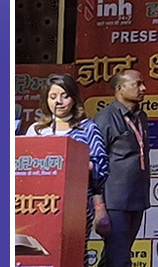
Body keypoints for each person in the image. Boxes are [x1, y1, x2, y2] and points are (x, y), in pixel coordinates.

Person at [80, 69, 157, 267]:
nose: (143, 88)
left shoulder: (140, 117)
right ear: (119, 89)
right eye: (137, 84)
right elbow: (94, 165)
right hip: (113, 202)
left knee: (111, 262)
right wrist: (99, 204)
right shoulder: (104, 119)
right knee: (120, 262)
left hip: (136, 199)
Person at [26, 74, 109, 241]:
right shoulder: (36, 130)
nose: (58, 101)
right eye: (53, 97)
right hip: (39, 204)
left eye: (65, 96)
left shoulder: (88, 129)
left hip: (76, 204)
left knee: (75, 248)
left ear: (74, 98)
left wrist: (73, 165)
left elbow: (102, 167)